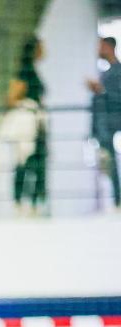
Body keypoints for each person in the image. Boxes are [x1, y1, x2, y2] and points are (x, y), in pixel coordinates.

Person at [6, 36, 47, 214]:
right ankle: (20, 202)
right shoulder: (25, 71)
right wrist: (27, 106)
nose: (44, 51)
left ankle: (35, 202)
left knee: (38, 162)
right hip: (27, 123)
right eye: (41, 47)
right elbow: (11, 98)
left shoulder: (33, 70)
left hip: (37, 122)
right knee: (23, 161)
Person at [88, 37, 121, 209]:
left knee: (110, 161)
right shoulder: (107, 72)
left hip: (113, 121)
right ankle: (117, 199)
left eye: (100, 46)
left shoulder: (117, 71)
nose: (98, 50)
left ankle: (118, 199)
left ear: (108, 47)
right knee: (108, 162)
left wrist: (101, 90)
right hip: (105, 125)